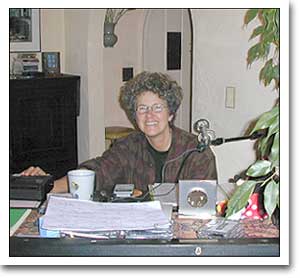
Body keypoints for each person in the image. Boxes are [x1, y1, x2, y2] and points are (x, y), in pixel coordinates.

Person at [21, 71, 217, 198]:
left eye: (157, 107)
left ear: (171, 112)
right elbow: (99, 171)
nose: (149, 115)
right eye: (142, 108)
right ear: (134, 115)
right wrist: (45, 185)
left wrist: (145, 196)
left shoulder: (196, 152)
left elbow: (201, 203)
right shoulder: (127, 146)